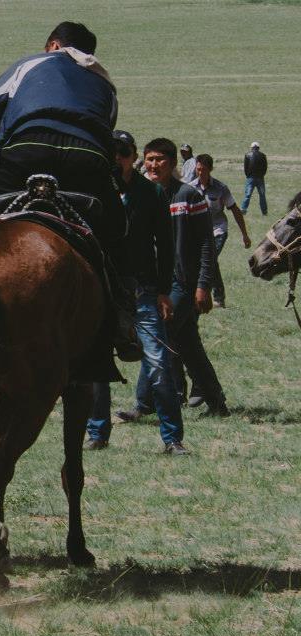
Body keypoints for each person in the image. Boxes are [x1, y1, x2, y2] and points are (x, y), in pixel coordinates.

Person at [0, 21, 133, 373]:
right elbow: (107, 137)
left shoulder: (29, 63)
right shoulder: (105, 82)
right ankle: (122, 319)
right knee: (116, 228)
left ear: (53, 45)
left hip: (27, 147)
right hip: (85, 158)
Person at [85, 131, 185, 454]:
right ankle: (97, 432)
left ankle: (172, 439)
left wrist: (164, 290)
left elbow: (166, 246)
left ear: (133, 156)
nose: (118, 159)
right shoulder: (95, 191)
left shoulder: (152, 193)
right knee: (97, 364)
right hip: (102, 288)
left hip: (142, 289)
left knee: (158, 365)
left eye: (124, 152)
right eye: (112, 152)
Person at [130, 138, 229, 418]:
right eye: (149, 159)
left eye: (160, 159)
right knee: (188, 345)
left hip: (183, 282)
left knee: (157, 335)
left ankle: (143, 404)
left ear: (173, 163)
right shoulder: (146, 195)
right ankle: (218, 403)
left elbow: (206, 243)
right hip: (158, 281)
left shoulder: (188, 196)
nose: (153, 165)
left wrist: (203, 285)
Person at [188, 153, 251, 308]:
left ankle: (217, 296)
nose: (200, 172)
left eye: (203, 169)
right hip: (197, 232)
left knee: (209, 259)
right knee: (206, 261)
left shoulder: (221, 188)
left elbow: (235, 210)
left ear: (211, 169)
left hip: (217, 230)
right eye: (198, 169)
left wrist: (244, 234)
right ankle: (202, 293)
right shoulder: (189, 188)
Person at [242, 141, 268, 216]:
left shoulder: (247, 155)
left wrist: (248, 175)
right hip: (260, 178)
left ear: (251, 148)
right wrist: (262, 175)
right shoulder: (263, 155)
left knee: (247, 194)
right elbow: (265, 167)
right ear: (258, 148)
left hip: (251, 178)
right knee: (262, 195)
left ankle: (243, 209)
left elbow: (245, 168)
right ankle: (264, 212)